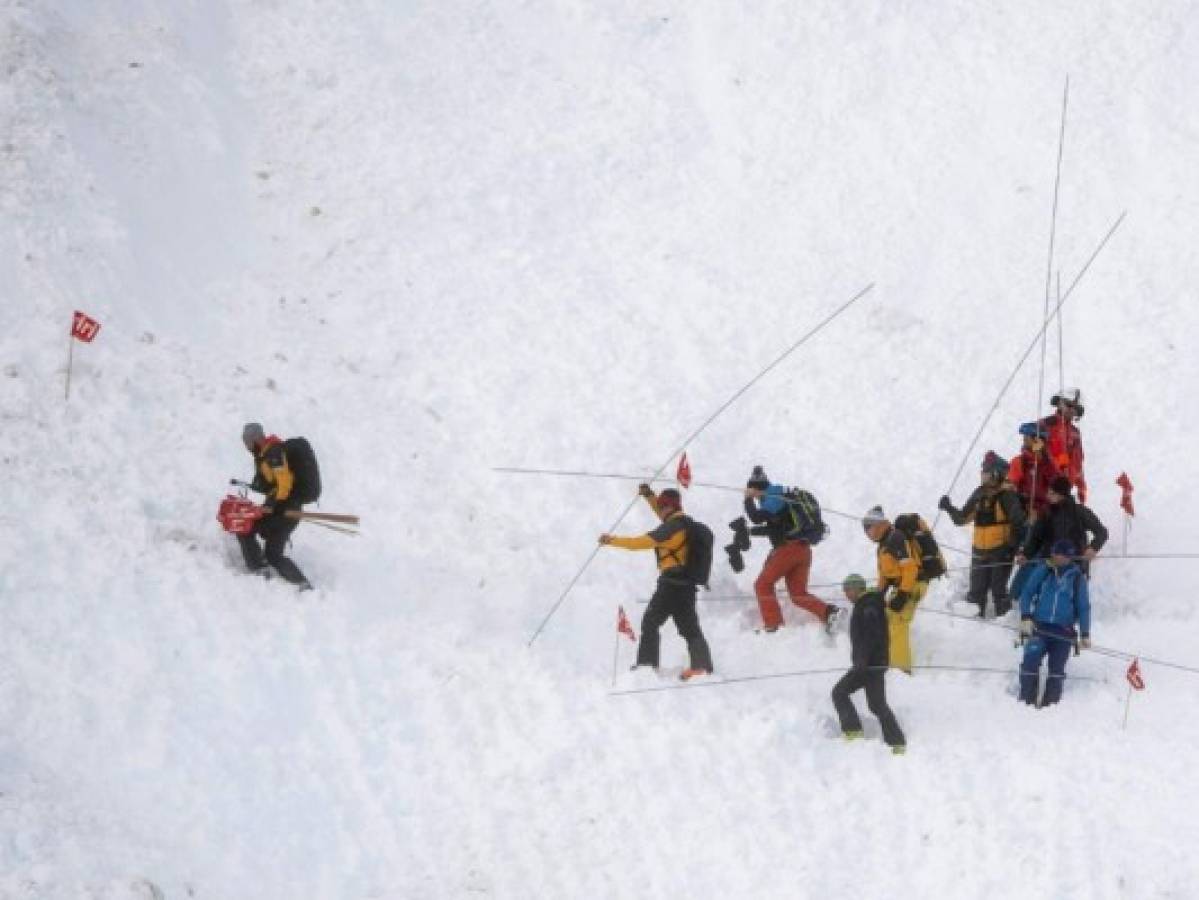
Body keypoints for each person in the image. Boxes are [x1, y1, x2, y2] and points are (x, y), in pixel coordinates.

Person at [599, 485, 714, 681]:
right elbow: (661, 512)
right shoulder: (682, 522)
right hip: (684, 585)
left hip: (671, 585)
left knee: (651, 622)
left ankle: (647, 665)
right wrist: (649, 496)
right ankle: (701, 667)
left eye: (662, 506)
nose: (659, 510)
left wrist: (612, 540)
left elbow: (640, 543)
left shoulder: (671, 528)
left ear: (669, 507)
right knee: (688, 627)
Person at [742, 466, 839, 634]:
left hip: (789, 549)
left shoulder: (773, 495)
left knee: (762, 585)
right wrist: (749, 531)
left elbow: (756, 518)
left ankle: (774, 626)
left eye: (754, 492)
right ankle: (829, 613)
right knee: (797, 594)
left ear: (757, 488)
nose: (757, 500)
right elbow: (775, 529)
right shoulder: (782, 498)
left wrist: (747, 499)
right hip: (803, 550)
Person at [938, 451, 1026, 617]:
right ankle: (974, 627)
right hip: (979, 550)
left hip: (1001, 551)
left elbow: (1019, 523)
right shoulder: (979, 493)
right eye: (983, 472)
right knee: (976, 592)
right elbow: (962, 519)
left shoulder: (1008, 496)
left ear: (996, 474)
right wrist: (949, 508)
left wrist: (1012, 547)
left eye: (986, 472)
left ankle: (1003, 625)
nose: (983, 476)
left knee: (998, 591)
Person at [831, 574, 906, 753]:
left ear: (858, 588)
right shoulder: (868, 603)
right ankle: (897, 743)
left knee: (839, 692)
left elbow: (871, 635)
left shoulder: (868, 605)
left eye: (848, 589)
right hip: (874, 663)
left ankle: (853, 732)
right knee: (877, 705)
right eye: (845, 590)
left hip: (869, 664)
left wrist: (862, 660)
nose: (846, 594)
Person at [1017, 539, 1091, 706]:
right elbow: (1027, 593)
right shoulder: (1043, 570)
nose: (1055, 557)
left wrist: (1085, 633)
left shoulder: (1077, 578)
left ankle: (1050, 706)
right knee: (1030, 662)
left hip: (1063, 632)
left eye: (1059, 555)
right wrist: (1026, 616)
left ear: (1068, 557)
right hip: (1039, 627)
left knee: (1056, 671)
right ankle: (1025, 702)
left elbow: (1084, 607)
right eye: (1053, 553)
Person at [239, 422, 312, 589]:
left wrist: (271, 505)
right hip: (281, 509)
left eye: (247, 441)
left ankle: (302, 584)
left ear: (255, 438)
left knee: (272, 553)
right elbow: (272, 484)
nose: (246, 446)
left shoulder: (274, 453)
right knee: (247, 528)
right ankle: (260, 567)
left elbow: (284, 484)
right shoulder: (264, 455)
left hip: (287, 511)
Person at [861, 506, 927, 674]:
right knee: (889, 619)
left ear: (878, 525)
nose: (867, 532)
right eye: (865, 529)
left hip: (913, 584)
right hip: (903, 584)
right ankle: (891, 661)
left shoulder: (895, 538)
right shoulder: (883, 545)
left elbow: (910, 568)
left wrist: (903, 595)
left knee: (898, 621)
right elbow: (884, 574)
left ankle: (901, 669)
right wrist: (879, 594)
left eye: (868, 527)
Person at [1039, 388, 1087, 502]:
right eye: (1068, 405)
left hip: (1064, 490)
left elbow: (1078, 463)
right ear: (1059, 403)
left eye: (1075, 408)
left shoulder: (1075, 433)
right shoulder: (1045, 425)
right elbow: (1031, 451)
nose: (1071, 409)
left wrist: (1081, 487)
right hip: (1043, 488)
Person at [1006, 422, 1058, 520]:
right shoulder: (1018, 461)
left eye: (1027, 436)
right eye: (1024, 437)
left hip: (1048, 513)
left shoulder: (1050, 462)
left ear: (1038, 440)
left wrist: (1042, 459)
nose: (1024, 439)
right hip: (1026, 513)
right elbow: (1011, 488)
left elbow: (1056, 482)